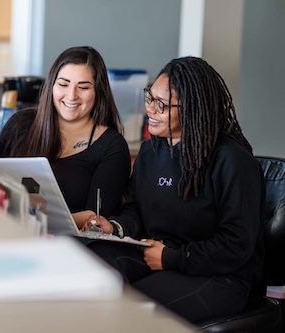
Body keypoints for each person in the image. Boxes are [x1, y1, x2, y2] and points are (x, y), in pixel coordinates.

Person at [84, 56, 264, 324]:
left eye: (162, 105)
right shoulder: (150, 151)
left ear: (192, 109)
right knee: (90, 269)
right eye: (149, 98)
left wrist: (173, 258)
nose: (150, 110)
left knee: (128, 312)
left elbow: (236, 245)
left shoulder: (232, 161)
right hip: (158, 255)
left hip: (220, 277)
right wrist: (115, 227)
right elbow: (136, 209)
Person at [0, 46, 131, 228]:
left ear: (98, 91)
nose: (71, 95)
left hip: (70, 247)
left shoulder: (112, 146)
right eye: (63, 84)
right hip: (8, 233)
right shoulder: (21, 123)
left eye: (83, 87)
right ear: (51, 86)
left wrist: (36, 222)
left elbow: (95, 223)